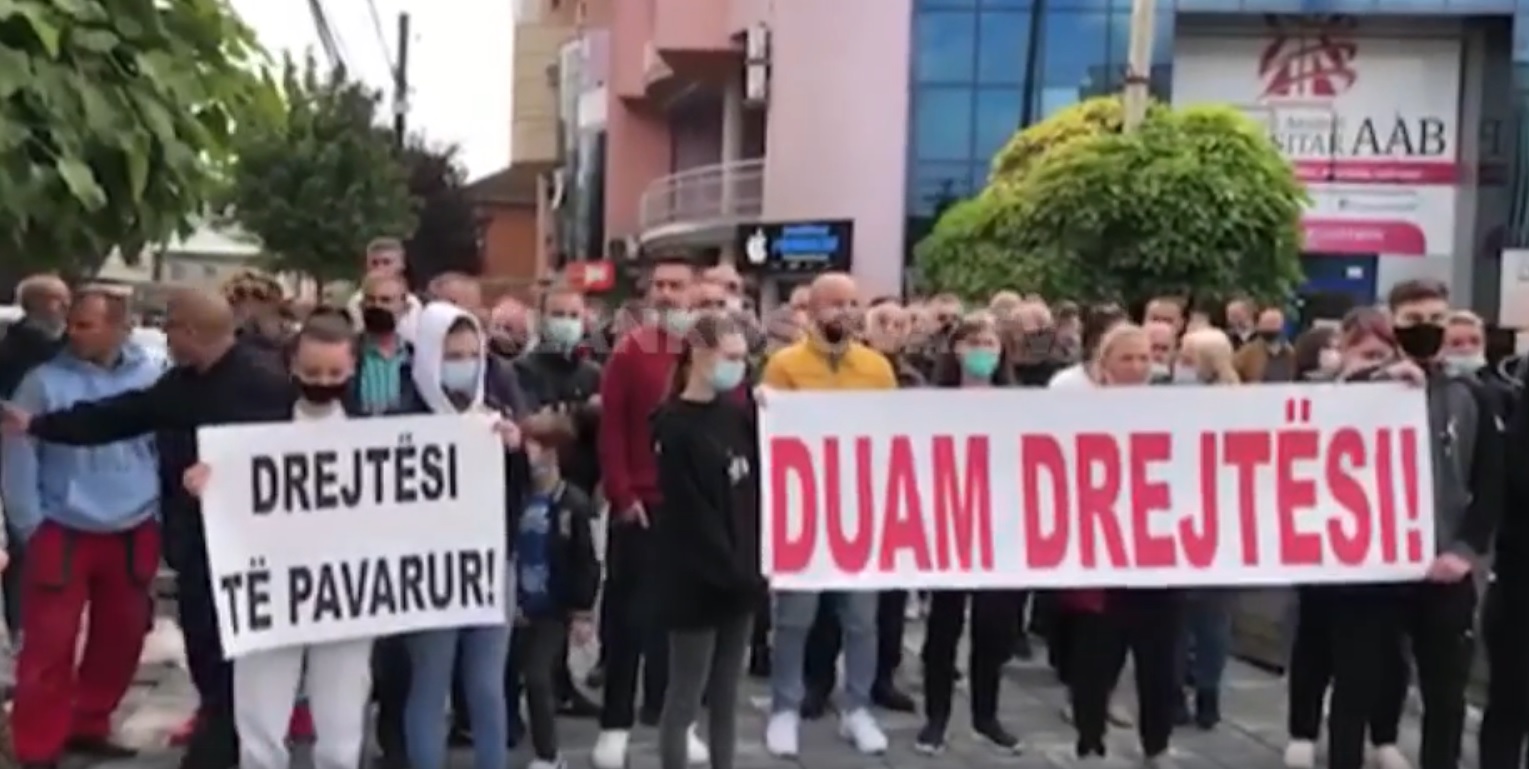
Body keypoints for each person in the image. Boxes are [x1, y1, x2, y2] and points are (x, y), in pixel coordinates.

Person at [0, 287, 294, 769]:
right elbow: (123, 415)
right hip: (190, 543)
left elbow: (287, 460)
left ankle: (224, 748)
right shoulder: (181, 383)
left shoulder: (263, 384)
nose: (162, 335)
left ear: (191, 332)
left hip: (244, 547)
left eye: (170, 326)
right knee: (202, 648)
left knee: (227, 655)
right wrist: (37, 426)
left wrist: (228, 475)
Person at [180, 317, 378, 769]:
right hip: (270, 590)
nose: (323, 382)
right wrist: (207, 480)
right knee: (259, 724)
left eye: (334, 372)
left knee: (342, 728)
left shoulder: (376, 435)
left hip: (347, 593)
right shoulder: (254, 430)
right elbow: (228, 483)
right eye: (312, 372)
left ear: (353, 369)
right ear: (292, 366)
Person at [1327, 279, 1502, 769]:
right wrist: (1373, 385)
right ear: (1393, 322)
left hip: (1443, 570)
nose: (1426, 328)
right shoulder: (1361, 388)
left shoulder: (1473, 396)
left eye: (1435, 319)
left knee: (1445, 696)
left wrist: (1463, 551)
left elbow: (1491, 483)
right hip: (1372, 568)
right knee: (1355, 687)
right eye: (1413, 320)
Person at [2, 287, 162, 767]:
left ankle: (90, 723)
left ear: (119, 327)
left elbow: (166, 445)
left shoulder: (153, 376)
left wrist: (158, 513)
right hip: (63, 527)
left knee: (122, 638)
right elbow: (17, 455)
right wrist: (31, 525)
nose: (73, 333)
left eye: (86, 324)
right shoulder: (42, 383)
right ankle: (36, 745)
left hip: (135, 524)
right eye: (72, 322)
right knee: (48, 646)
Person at [763, 272, 894, 758]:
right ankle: (784, 708)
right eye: (836, 303)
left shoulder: (878, 369)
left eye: (854, 303)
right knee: (794, 618)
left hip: (859, 508)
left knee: (861, 618)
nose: (847, 312)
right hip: (803, 510)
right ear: (813, 310)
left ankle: (857, 708)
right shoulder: (784, 366)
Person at [594, 256, 711, 769]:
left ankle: (675, 721)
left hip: (694, 510)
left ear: (693, 292)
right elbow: (612, 430)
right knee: (627, 622)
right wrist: (623, 496)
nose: (666, 293)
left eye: (675, 285)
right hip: (642, 508)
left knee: (684, 626)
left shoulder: (709, 352)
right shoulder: (629, 352)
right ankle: (614, 726)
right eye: (659, 285)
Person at [400, 301, 528, 769]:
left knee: (487, 685)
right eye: (453, 356)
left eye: (473, 355)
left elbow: (518, 494)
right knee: (431, 684)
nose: (465, 365)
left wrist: (515, 451)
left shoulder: (492, 411)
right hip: (429, 570)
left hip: (491, 564)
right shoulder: (402, 417)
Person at [1283, 308, 1410, 769]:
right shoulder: (1318, 395)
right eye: (1365, 353)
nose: (1375, 364)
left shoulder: (1408, 393)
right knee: (1314, 642)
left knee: (1383, 655)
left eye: (1382, 354)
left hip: (1381, 550)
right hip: (1323, 545)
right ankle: (1303, 730)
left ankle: (1381, 736)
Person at [1061, 323, 1180, 768]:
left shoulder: (1171, 411)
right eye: (1126, 358)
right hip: (1102, 561)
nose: (1136, 367)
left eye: (1144, 358)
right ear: (1104, 363)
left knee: (1160, 665)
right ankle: (1090, 744)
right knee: (1095, 663)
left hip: (1158, 558)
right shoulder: (1080, 413)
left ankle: (1157, 745)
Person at [651, 311, 765, 769]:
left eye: (743, 359)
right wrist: (731, 569)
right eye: (730, 357)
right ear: (699, 356)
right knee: (685, 695)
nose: (738, 367)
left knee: (725, 697)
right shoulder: (674, 425)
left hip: (741, 577)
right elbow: (692, 514)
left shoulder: (736, 416)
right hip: (696, 582)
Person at [914, 315, 1023, 755]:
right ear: (956, 349)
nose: (982, 350)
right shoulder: (931, 403)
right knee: (943, 627)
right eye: (973, 342)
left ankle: (986, 715)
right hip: (948, 526)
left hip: (999, 529)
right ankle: (936, 717)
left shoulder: (1018, 405)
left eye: (990, 342)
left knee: (993, 630)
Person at [511, 285, 604, 718]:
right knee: (533, 597)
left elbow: (598, 431)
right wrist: (579, 414)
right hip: (536, 493)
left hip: (579, 491)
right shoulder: (523, 370)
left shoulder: (591, 373)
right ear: (541, 318)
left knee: (570, 585)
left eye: (573, 314)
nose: (565, 322)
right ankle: (526, 686)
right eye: (558, 314)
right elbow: (534, 423)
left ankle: (561, 682)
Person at [514, 425, 600, 769]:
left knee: (538, 676)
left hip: (554, 606)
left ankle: (548, 755)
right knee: (523, 675)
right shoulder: (520, 497)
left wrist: (581, 611)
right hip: (522, 604)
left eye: (536, 449)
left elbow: (586, 559)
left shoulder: (572, 503)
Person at [1168, 328, 1239, 730]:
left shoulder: (1231, 405)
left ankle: (1198, 692)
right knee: (1195, 619)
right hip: (1189, 518)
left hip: (1212, 520)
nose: (1180, 364)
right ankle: (1187, 692)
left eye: (1188, 358)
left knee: (1205, 620)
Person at [0, 274, 69, 641]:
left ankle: (22, 623)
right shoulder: (35, 352)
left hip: (32, 447)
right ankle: (27, 623)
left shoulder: (15, 345)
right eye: (61, 300)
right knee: (26, 541)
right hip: (27, 448)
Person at [346, 237, 422, 341]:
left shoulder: (420, 304)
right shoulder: (353, 304)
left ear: (402, 264)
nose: (380, 268)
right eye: (374, 263)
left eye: (386, 262)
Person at [1231, 306, 1295, 383]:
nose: (1270, 327)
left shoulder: (1290, 352)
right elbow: (1232, 372)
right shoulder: (1247, 352)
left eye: (1274, 323)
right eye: (1267, 323)